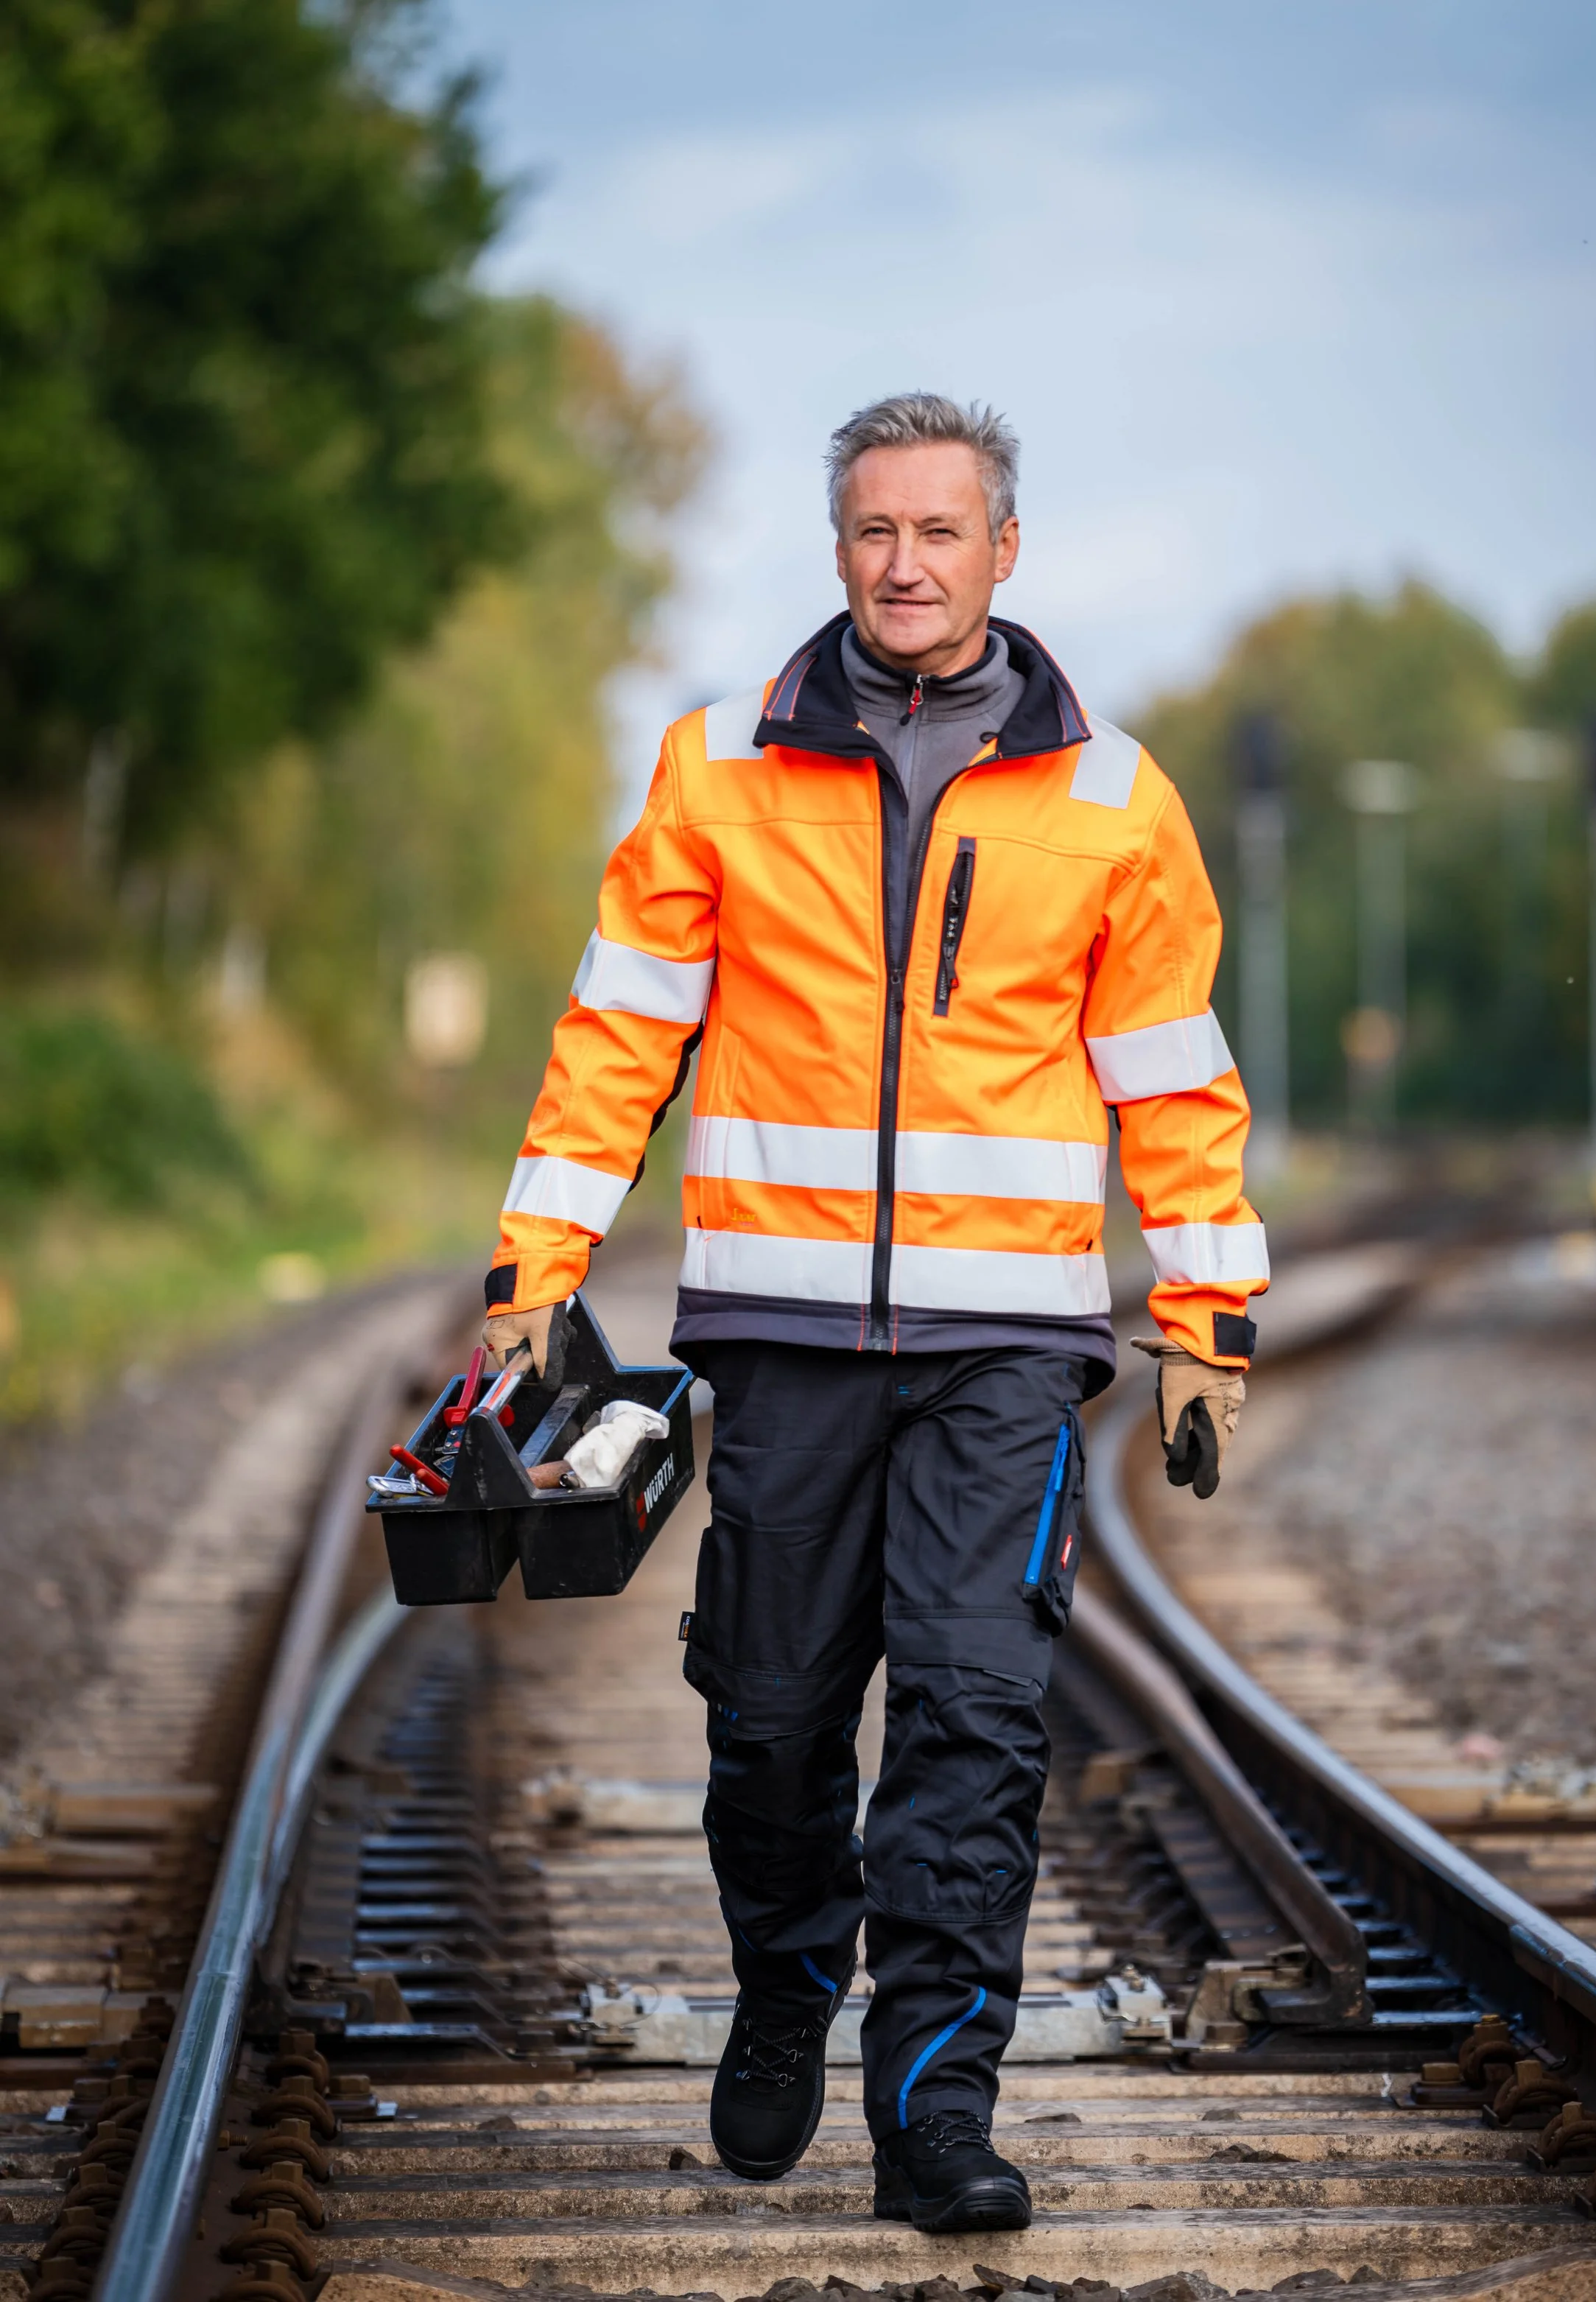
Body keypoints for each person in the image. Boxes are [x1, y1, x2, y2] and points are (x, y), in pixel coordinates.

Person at [481, 392, 1266, 2232]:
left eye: (940, 531)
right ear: (834, 549)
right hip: (779, 1338)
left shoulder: (1110, 798)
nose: (904, 565)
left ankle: (931, 2107)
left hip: (1009, 1353)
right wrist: (539, 1258)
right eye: (872, 533)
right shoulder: (717, 768)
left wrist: (1208, 1312)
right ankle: (781, 1980)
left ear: (1006, 549)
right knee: (767, 1722)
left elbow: (1171, 1083)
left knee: (974, 1722)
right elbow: (616, 1035)